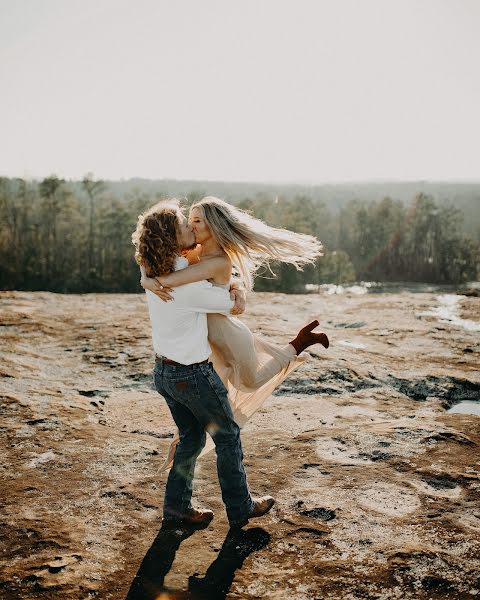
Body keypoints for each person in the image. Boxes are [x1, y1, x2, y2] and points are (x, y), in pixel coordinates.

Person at [140, 196, 329, 470]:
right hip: (208, 341)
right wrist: (146, 277)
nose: (191, 228)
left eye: (197, 222)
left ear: (214, 228)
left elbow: (174, 282)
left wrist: (150, 281)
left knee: (249, 383)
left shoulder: (218, 261)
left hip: (227, 335)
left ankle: (298, 344)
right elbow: (162, 261)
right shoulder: (194, 252)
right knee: (203, 409)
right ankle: (177, 457)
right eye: (189, 221)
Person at [132, 199, 276, 529]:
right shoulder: (187, 283)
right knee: (227, 436)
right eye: (184, 224)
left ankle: (177, 509)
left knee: (192, 440)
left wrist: (147, 281)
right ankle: (241, 507)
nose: (189, 228)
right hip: (191, 375)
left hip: (163, 373)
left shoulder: (153, 268)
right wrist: (236, 292)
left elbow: (151, 269)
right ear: (170, 238)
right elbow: (230, 307)